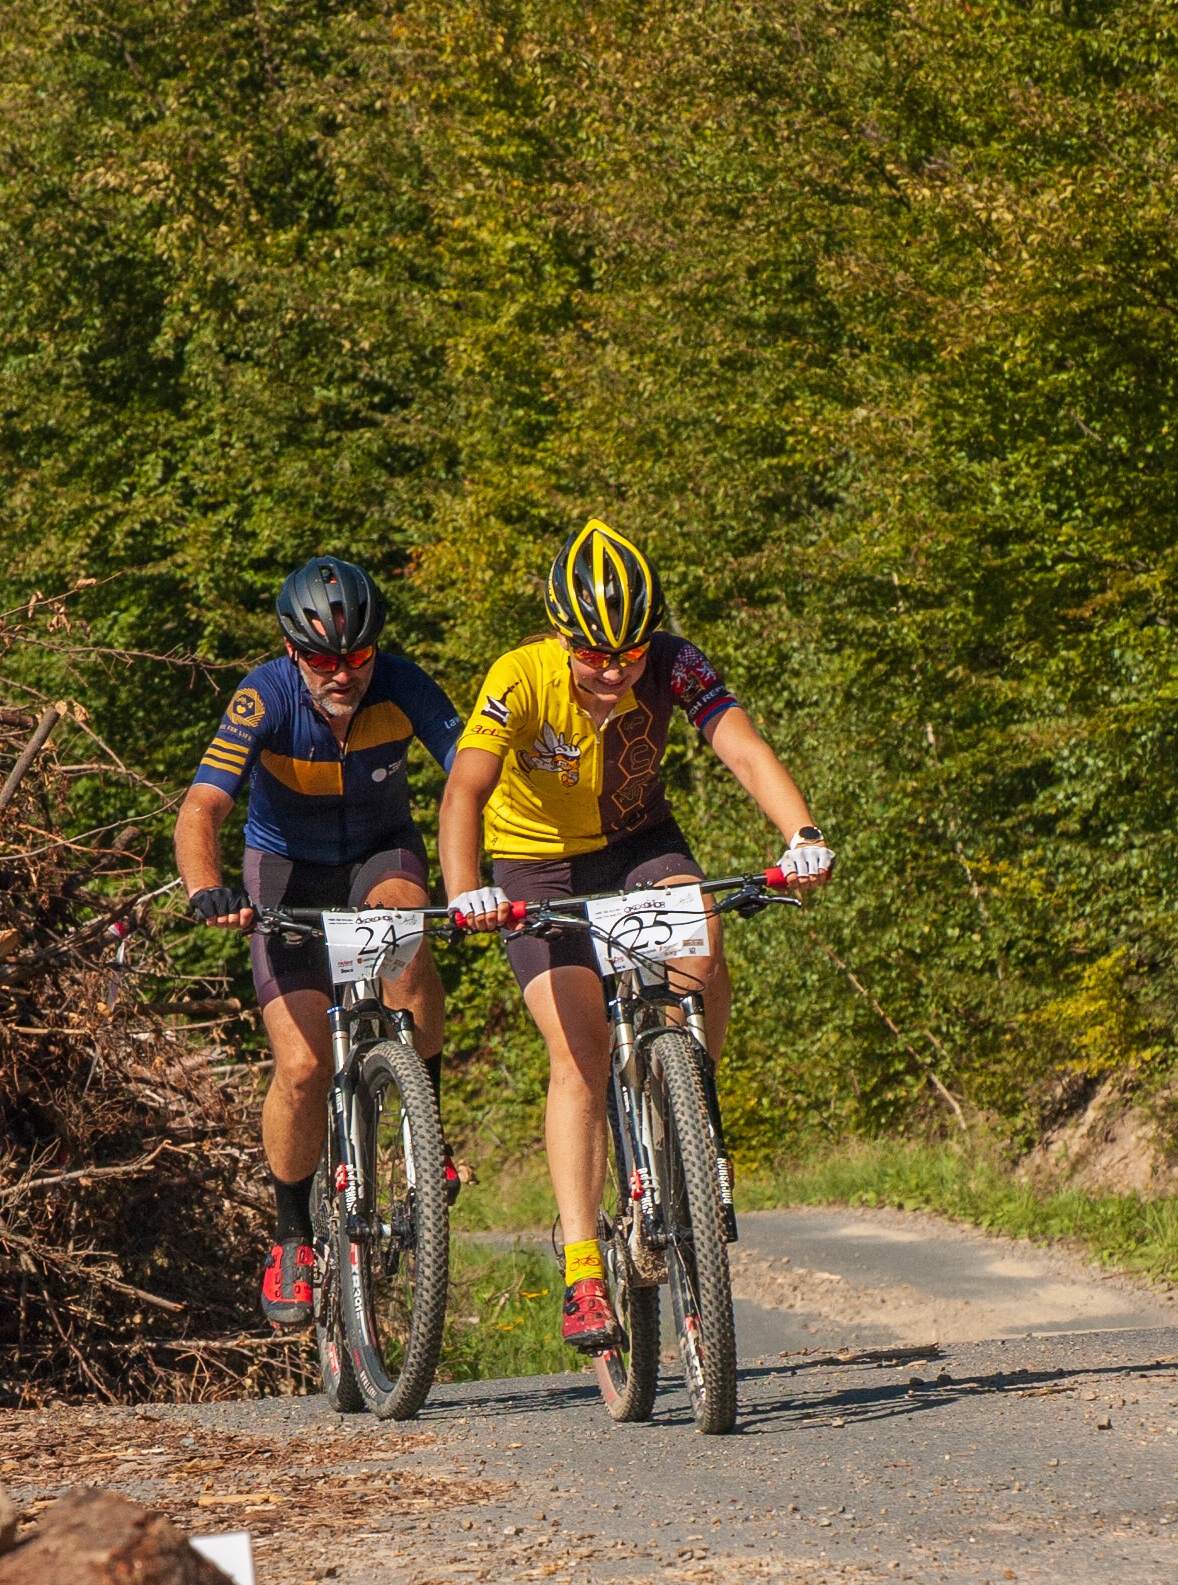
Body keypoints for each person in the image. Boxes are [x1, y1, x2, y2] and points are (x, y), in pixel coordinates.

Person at [438, 518, 833, 1352]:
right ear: (561, 635)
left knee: (703, 944)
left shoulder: (676, 662)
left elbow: (744, 750)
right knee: (579, 1056)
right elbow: (465, 789)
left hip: (637, 842)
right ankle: (584, 1271)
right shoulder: (519, 676)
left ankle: (692, 1112)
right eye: (594, 654)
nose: (614, 671)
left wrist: (801, 836)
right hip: (536, 863)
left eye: (629, 653)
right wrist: (467, 890)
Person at [175, 554, 464, 1330]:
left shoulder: (404, 685)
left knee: (405, 932)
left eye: (357, 656)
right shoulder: (263, 695)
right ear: (292, 651)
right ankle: (291, 1237)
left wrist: (496, 868)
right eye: (323, 660)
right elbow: (202, 807)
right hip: (287, 872)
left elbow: (474, 774)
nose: (342, 674)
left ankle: (427, 1134)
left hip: (379, 854)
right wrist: (206, 890)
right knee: (302, 1066)